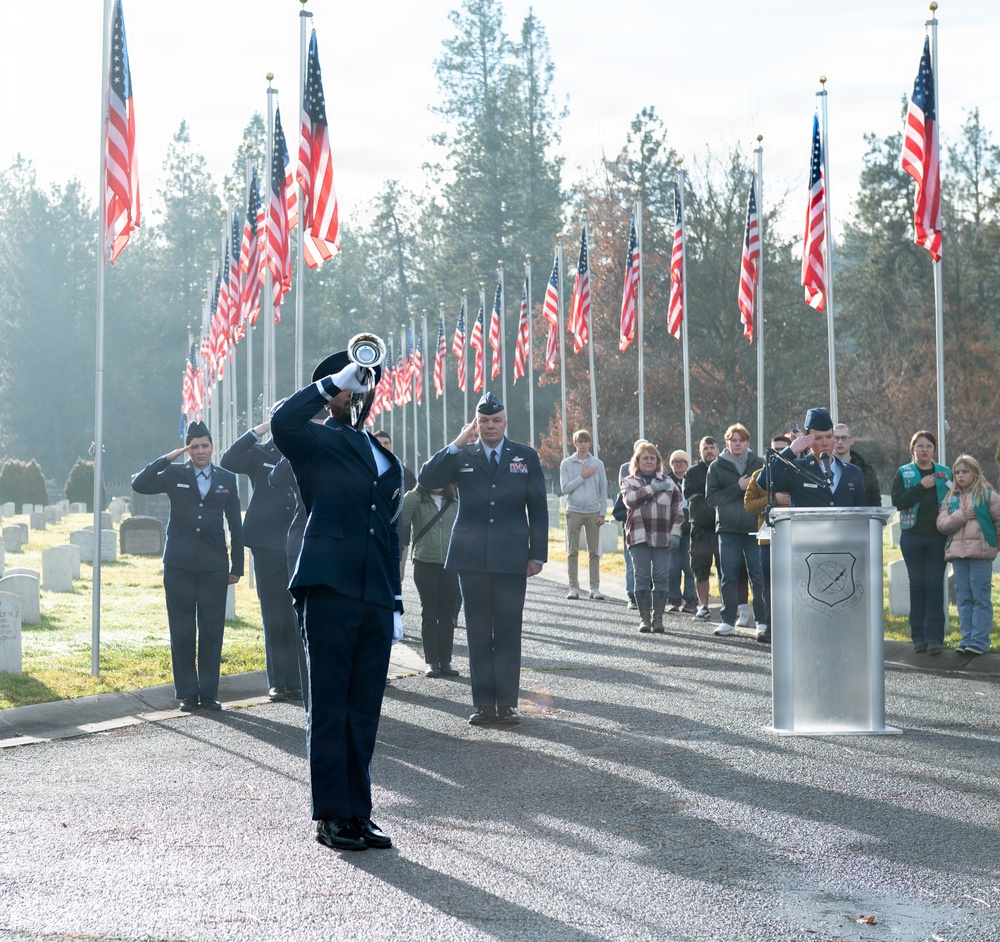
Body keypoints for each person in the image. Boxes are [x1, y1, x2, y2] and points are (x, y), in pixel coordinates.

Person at [270, 347, 403, 853]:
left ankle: (358, 813)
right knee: (329, 706)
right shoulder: (314, 440)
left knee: (364, 709)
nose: (354, 391)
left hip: (372, 592)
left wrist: (394, 599)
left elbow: (389, 535)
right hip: (328, 587)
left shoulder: (385, 456)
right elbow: (284, 419)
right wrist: (329, 385)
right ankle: (331, 816)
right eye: (345, 383)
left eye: (360, 383)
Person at [418, 391, 548, 727]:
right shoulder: (463, 454)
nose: (490, 426)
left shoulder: (525, 455)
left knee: (507, 630)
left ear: (506, 423)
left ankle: (506, 704)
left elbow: (538, 508)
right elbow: (427, 479)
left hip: (511, 555)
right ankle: (482, 705)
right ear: (477, 423)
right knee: (477, 631)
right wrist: (457, 442)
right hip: (472, 556)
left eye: (496, 421)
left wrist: (538, 554)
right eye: (484, 421)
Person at [131, 420, 244, 712]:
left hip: (213, 564)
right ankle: (188, 693)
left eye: (205, 445)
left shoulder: (226, 478)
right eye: (194, 446)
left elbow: (235, 523)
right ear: (188, 449)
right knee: (181, 628)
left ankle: (209, 693)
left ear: (212, 447)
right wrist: (169, 457)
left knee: (211, 628)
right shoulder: (173, 473)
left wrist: (237, 565)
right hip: (179, 564)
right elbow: (139, 484)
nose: (200, 451)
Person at [220, 415, 305, 702]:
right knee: (273, 614)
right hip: (267, 544)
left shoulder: (306, 447)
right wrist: (259, 431)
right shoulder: (260, 453)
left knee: (296, 613)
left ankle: (296, 680)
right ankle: (278, 682)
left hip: (300, 541)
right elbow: (228, 460)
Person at [890, 430, 950, 655]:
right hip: (912, 536)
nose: (924, 450)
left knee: (934, 585)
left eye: (929, 446)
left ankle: (935, 638)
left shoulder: (944, 473)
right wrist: (920, 486)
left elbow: (956, 496)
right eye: (920, 445)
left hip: (938, 536)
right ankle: (919, 638)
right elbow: (898, 501)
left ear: (934, 450)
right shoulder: (904, 473)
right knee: (916, 585)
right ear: (912, 449)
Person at [706, 423, 766, 637]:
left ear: (748, 443)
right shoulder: (716, 467)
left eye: (741, 440)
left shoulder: (759, 463)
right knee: (729, 576)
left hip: (754, 528)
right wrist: (737, 488)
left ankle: (762, 622)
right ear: (727, 443)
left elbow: (768, 494)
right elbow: (711, 498)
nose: (737, 443)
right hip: (728, 529)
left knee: (758, 577)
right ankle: (728, 620)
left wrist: (750, 491)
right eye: (733, 440)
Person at [936, 455, 1000, 657]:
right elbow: (942, 525)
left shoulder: (988, 496)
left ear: (975, 472)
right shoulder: (950, 498)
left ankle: (979, 642)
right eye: (957, 472)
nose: (960, 475)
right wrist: (963, 515)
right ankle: (966, 640)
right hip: (958, 556)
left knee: (981, 598)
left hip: (980, 555)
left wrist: (994, 547)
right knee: (963, 599)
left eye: (965, 471)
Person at [621, 442, 684, 633]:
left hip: (663, 536)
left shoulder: (669, 482)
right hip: (639, 535)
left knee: (661, 577)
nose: (649, 461)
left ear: (657, 461)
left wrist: (676, 533)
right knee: (641, 577)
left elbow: (679, 509)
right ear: (637, 461)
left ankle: (658, 618)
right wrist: (653, 489)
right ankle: (644, 619)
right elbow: (630, 500)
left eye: (652, 458)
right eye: (645, 458)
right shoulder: (629, 481)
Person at [399, 483, 461, 676]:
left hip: (450, 565)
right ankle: (432, 661)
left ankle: (446, 661)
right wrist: (419, 489)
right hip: (424, 563)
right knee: (429, 612)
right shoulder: (418, 501)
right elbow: (401, 517)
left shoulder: (455, 503)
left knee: (447, 615)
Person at [743, 435, 793, 644]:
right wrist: (773, 499)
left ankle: (793, 627)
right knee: (769, 586)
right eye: (775, 450)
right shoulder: (758, 476)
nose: (779, 454)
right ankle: (770, 627)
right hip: (768, 540)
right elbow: (749, 506)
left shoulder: (798, 473)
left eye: (783, 449)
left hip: (795, 539)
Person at [767, 408, 867, 508]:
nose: (825, 443)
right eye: (818, 438)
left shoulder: (853, 472)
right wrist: (791, 451)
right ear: (808, 441)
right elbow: (764, 481)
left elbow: (861, 514)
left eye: (829, 437)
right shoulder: (796, 469)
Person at [560, 429, 608, 601]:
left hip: (593, 511)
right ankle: (573, 587)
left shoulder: (598, 463)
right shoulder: (566, 463)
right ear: (575, 443)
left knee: (594, 551)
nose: (582, 445)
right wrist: (583, 476)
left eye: (585, 442)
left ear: (590, 443)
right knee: (572, 551)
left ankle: (594, 588)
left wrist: (602, 513)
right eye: (579, 442)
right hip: (573, 510)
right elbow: (565, 488)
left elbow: (603, 489)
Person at [684, 436, 721, 621]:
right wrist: (711, 484)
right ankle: (704, 606)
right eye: (705, 448)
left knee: (726, 570)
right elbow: (688, 493)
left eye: (712, 448)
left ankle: (727, 607)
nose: (709, 451)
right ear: (700, 451)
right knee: (700, 570)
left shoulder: (724, 468)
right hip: (700, 528)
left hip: (723, 527)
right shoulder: (692, 472)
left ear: (718, 449)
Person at [666, 450, 698, 614]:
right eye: (675, 461)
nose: (678, 464)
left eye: (682, 461)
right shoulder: (666, 481)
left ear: (687, 463)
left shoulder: (692, 478)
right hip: (672, 530)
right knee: (672, 568)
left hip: (691, 529)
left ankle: (691, 600)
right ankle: (673, 599)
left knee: (689, 567)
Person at [617, 439, 648, 611]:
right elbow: (622, 503)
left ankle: (648, 595)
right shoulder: (625, 472)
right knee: (631, 564)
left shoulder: (659, 475)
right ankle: (632, 596)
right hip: (632, 526)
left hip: (652, 528)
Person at [832, 423, 882, 506]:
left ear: (852, 441)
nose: (840, 442)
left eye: (844, 438)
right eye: (835, 438)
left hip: (859, 518)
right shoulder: (823, 468)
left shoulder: (865, 471)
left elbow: (875, 502)